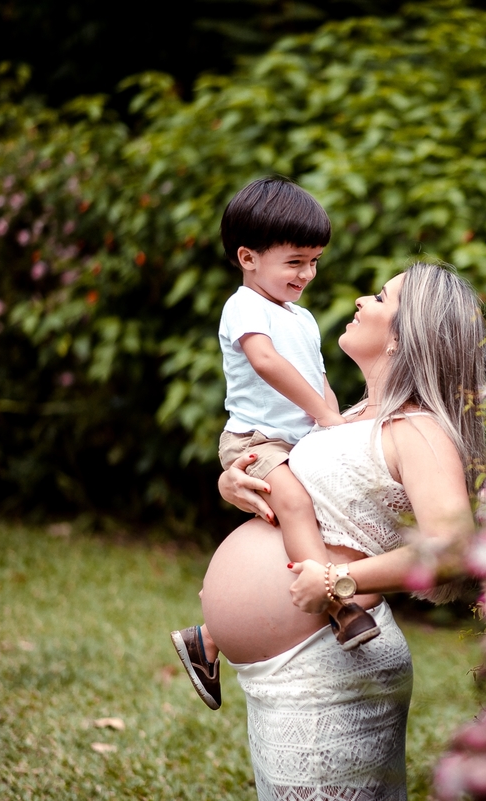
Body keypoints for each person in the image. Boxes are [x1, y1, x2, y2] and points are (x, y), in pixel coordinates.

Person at [200, 262, 486, 799]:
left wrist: (340, 582)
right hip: (288, 679)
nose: (361, 299)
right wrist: (233, 483)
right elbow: (303, 496)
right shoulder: (350, 414)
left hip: (332, 675)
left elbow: (452, 551)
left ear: (406, 338)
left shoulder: (419, 428)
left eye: (380, 297)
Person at [172, 177, 380, 713]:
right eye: (294, 262)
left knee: (293, 523)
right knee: (291, 503)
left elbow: (315, 376)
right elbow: (265, 364)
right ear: (248, 258)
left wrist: (333, 419)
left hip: (299, 435)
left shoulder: (303, 316)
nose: (307, 274)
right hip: (256, 439)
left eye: (313, 261)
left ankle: (209, 635)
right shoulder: (244, 307)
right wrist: (326, 415)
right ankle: (339, 605)